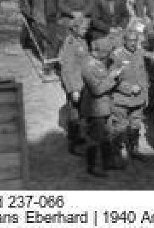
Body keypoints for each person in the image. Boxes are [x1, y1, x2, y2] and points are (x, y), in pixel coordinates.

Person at [80, 37, 124, 177]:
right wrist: (111, 77)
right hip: (95, 109)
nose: (108, 55)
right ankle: (92, 167)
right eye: (107, 53)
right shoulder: (88, 65)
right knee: (94, 137)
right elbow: (97, 90)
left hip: (105, 106)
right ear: (99, 52)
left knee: (107, 136)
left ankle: (108, 162)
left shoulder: (99, 62)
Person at [108, 29, 149, 165]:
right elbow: (112, 78)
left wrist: (145, 95)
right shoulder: (116, 56)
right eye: (130, 40)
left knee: (135, 126)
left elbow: (143, 77)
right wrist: (129, 89)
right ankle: (115, 155)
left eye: (135, 40)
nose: (133, 43)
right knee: (119, 128)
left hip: (138, 100)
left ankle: (134, 150)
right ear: (124, 41)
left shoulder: (139, 53)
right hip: (122, 99)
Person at [59, 13, 91, 155]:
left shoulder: (81, 41)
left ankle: (78, 137)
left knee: (81, 113)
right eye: (83, 28)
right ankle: (73, 144)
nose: (86, 30)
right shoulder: (70, 44)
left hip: (82, 83)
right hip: (75, 85)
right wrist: (73, 90)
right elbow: (67, 68)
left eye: (86, 28)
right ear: (75, 29)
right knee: (74, 114)